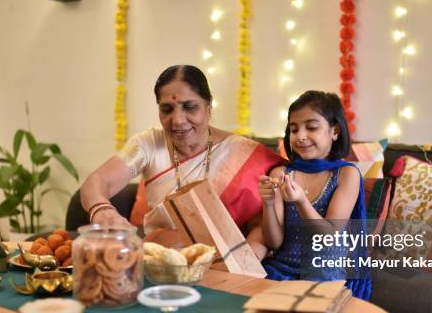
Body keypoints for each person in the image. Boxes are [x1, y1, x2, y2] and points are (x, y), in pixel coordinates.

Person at [80, 65, 283, 256]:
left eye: (190, 107)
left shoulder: (243, 152)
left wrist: (247, 261)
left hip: (227, 264)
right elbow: (98, 180)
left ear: (208, 106)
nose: (178, 120)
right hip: (159, 261)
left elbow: (260, 226)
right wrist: (102, 211)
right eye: (167, 110)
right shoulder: (149, 144)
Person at [258, 90, 371, 299]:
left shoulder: (346, 174)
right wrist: (269, 204)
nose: (300, 136)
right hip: (282, 268)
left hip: (325, 272)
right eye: (294, 129)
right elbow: (274, 242)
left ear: (334, 131)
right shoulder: (282, 173)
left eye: (311, 127)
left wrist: (301, 201)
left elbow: (329, 235)